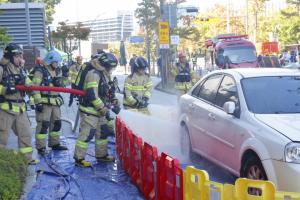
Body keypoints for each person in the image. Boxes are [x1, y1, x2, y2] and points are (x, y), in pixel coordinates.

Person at [74, 50, 119, 167]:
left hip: (101, 111)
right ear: (105, 66)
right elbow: (92, 94)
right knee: (86, 134)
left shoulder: (105, 74)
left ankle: (101, 155)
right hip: (90, 111)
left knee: (102, 134)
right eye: (111, 67)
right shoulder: (93, 74)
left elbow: (108, 90)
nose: (112, 70)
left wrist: (113, 99)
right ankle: (79, 158)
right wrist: (101, 107)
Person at [0, 43, 38, 164]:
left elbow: (29, 84)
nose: (20, 59)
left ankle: (27, 158)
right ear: (10, 56)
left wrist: (32, 90)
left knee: (26, 134)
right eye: (17, 56)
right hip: (5, 109)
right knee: (2, 138)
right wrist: (6, 89)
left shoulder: (21, 69)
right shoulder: (2, 69)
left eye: (20, 56)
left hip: (20, 108)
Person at [31, 50, 69, 155]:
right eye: (56, 62)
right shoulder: (40, 71)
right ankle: (41, 147)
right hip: (44, 102)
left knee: (56, 123)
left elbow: (63, 85)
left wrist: (66, 75)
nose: (57, 64)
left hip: (55, 102)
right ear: (50, 61)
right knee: (43, 125)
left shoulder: (56, 71)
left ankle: (54, 144)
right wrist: (38, 102)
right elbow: (35, 87)